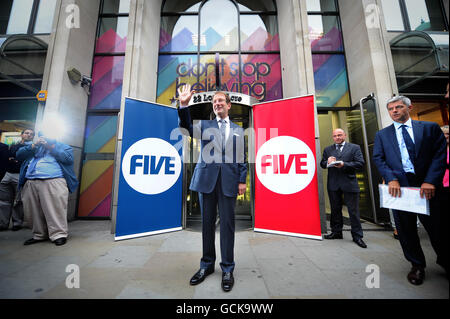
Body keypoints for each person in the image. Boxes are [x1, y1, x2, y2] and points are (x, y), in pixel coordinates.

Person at [177, 84, 247, 292]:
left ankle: (227, 268)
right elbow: (186, 128)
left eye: (220, 101)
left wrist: (242, 180)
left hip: (228, 182)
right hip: (207, 181)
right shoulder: (205, 126)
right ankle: (206, 265)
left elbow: (241, 157)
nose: (217, 104)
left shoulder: (238, 130)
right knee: (206, 225)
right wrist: (183, 105)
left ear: (228, 105)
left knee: (227, 226)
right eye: (214, 102)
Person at [373, 95, 447, 285]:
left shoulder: (429, 128)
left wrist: (430, 180)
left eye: (398, 107)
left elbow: (439, 155)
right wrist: (391, 179)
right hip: (400, 188)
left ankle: (445, 260)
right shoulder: (382, 135)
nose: (394, 111)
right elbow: (379, 159)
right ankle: (416, 265)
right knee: (406, 229)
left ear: (409, 108)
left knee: (437, 228)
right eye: (391, 109)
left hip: (427, 187)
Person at [16, 133, 78, 246]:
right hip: (31, 182)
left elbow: (67, 159)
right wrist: (34, 145)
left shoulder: (63, 146)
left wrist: (51, 147)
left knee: (55, 210)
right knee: (33, 211)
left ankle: (59, 235)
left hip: (53, 181)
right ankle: (39, 235)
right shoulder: (33, 146)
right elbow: (19, 155)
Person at [320, 128, 367, 248]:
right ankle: (336, 232)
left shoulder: (354, 148)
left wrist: (344, 164)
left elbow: (360, 163)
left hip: (349, 183)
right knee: (335, 210)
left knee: (353, 211)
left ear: (344, 135)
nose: (337, 137)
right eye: (335, 136)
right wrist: (327, 162)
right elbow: (322, 164)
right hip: (334, 184)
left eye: (340, 135)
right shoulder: (328, 149)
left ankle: (357, 236)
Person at [0, 129, 35, 231]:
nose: (29, 135)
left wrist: (14, 159)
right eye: (27, 133)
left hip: (20, 175)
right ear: (21, 135)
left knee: (18, 201)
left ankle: (17, 223)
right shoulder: (12, 146)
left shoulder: (32, 148)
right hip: (7, 174)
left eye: (32, 134)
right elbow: (8, 158)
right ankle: (3, 223)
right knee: (3, 201)